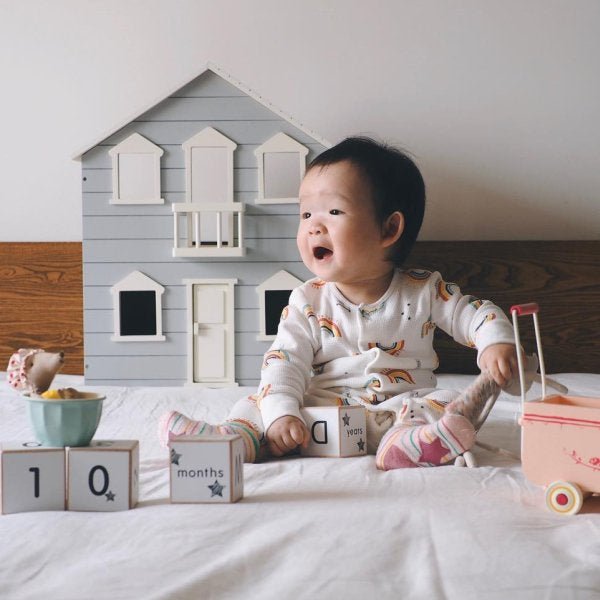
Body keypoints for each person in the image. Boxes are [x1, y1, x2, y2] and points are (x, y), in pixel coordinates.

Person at [158, 137, 518, 470]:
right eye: (305, 214)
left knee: (447, 403)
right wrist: (283, 413)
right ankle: (234, 441)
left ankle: (406, 445)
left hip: (397, 408)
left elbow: (474, 314)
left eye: (332, 212)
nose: (314, 226)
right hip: (319, 414)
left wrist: (495, 343)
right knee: (258, 402)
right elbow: (285, 361)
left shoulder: (423, 291)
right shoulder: (308, 300)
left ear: (388, 230)